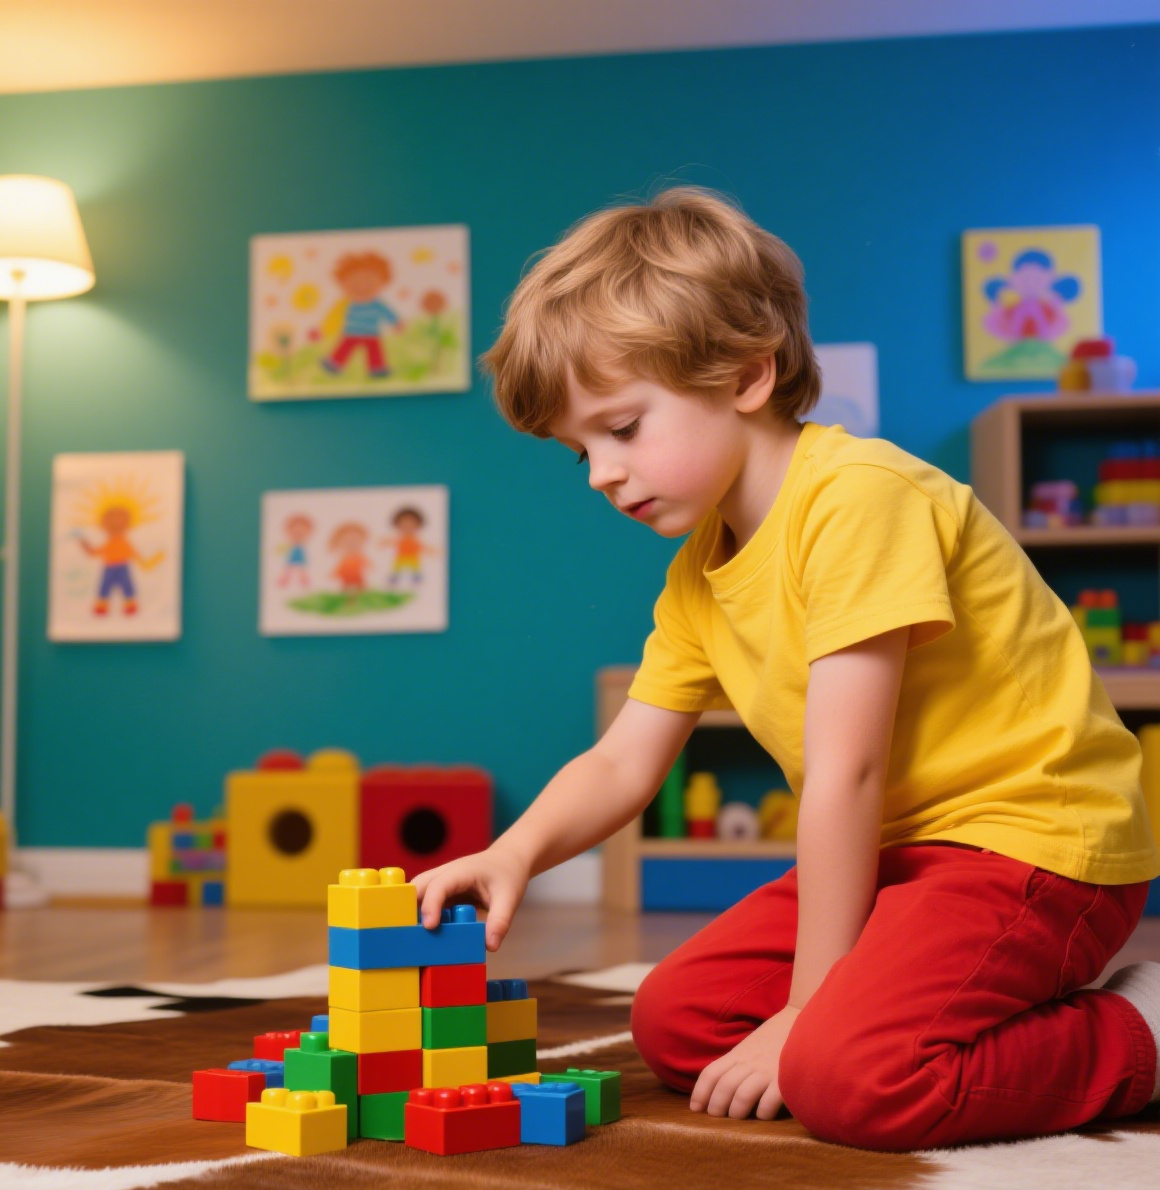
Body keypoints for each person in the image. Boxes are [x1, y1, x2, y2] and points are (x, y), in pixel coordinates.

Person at [417, 186, 1160, 1151]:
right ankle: (907, 1009)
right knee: (677, 1020)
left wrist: (810, 1011)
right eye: (578, 452)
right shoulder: (699, 573)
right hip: (903, 859)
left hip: (1034, 846)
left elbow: (846, 770)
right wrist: (513, 852)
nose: (600, 472)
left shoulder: (860, 497)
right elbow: (621, 763)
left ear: (746, 377)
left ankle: (1136, 1028)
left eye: (624, 428)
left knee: (850, 1080)